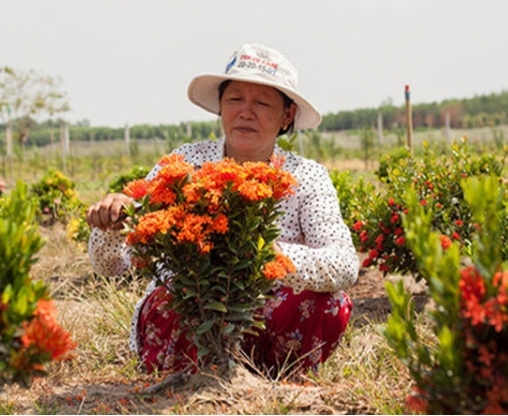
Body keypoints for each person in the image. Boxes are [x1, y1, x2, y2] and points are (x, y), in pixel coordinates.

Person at [86, 43, 359, 376]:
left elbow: (344, 264)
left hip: (267, 330)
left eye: (262, 102)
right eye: (235, 99)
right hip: (190, 325)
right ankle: (190, 380)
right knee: (169, 298)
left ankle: (271, 383)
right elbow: (112, 266)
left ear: (287, 115)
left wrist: (266, 255)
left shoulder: (306, 177)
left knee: (328, 303)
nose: (246, 112)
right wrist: (113, 224)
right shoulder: (183, 165)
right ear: (220, 106)